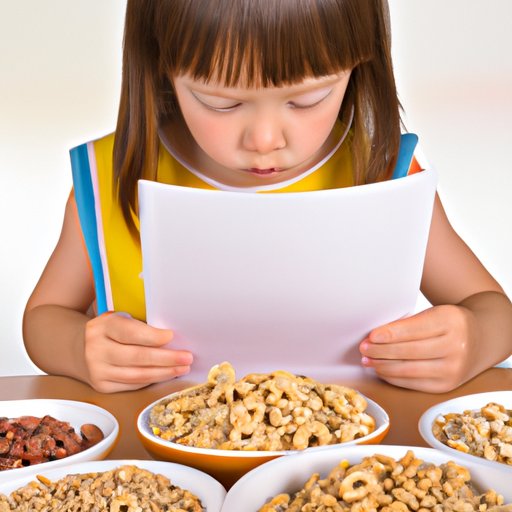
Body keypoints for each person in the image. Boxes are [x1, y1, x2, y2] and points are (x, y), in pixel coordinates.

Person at [23, 0, 512, 394]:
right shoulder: (110, 178)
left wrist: (470, 339)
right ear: (160, 67)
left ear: (361, 67)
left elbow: (493, 308)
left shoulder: (385, 174)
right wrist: (80, 350)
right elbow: (44, 319)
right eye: (222, 102)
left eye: (307, 100)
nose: (264, 140)